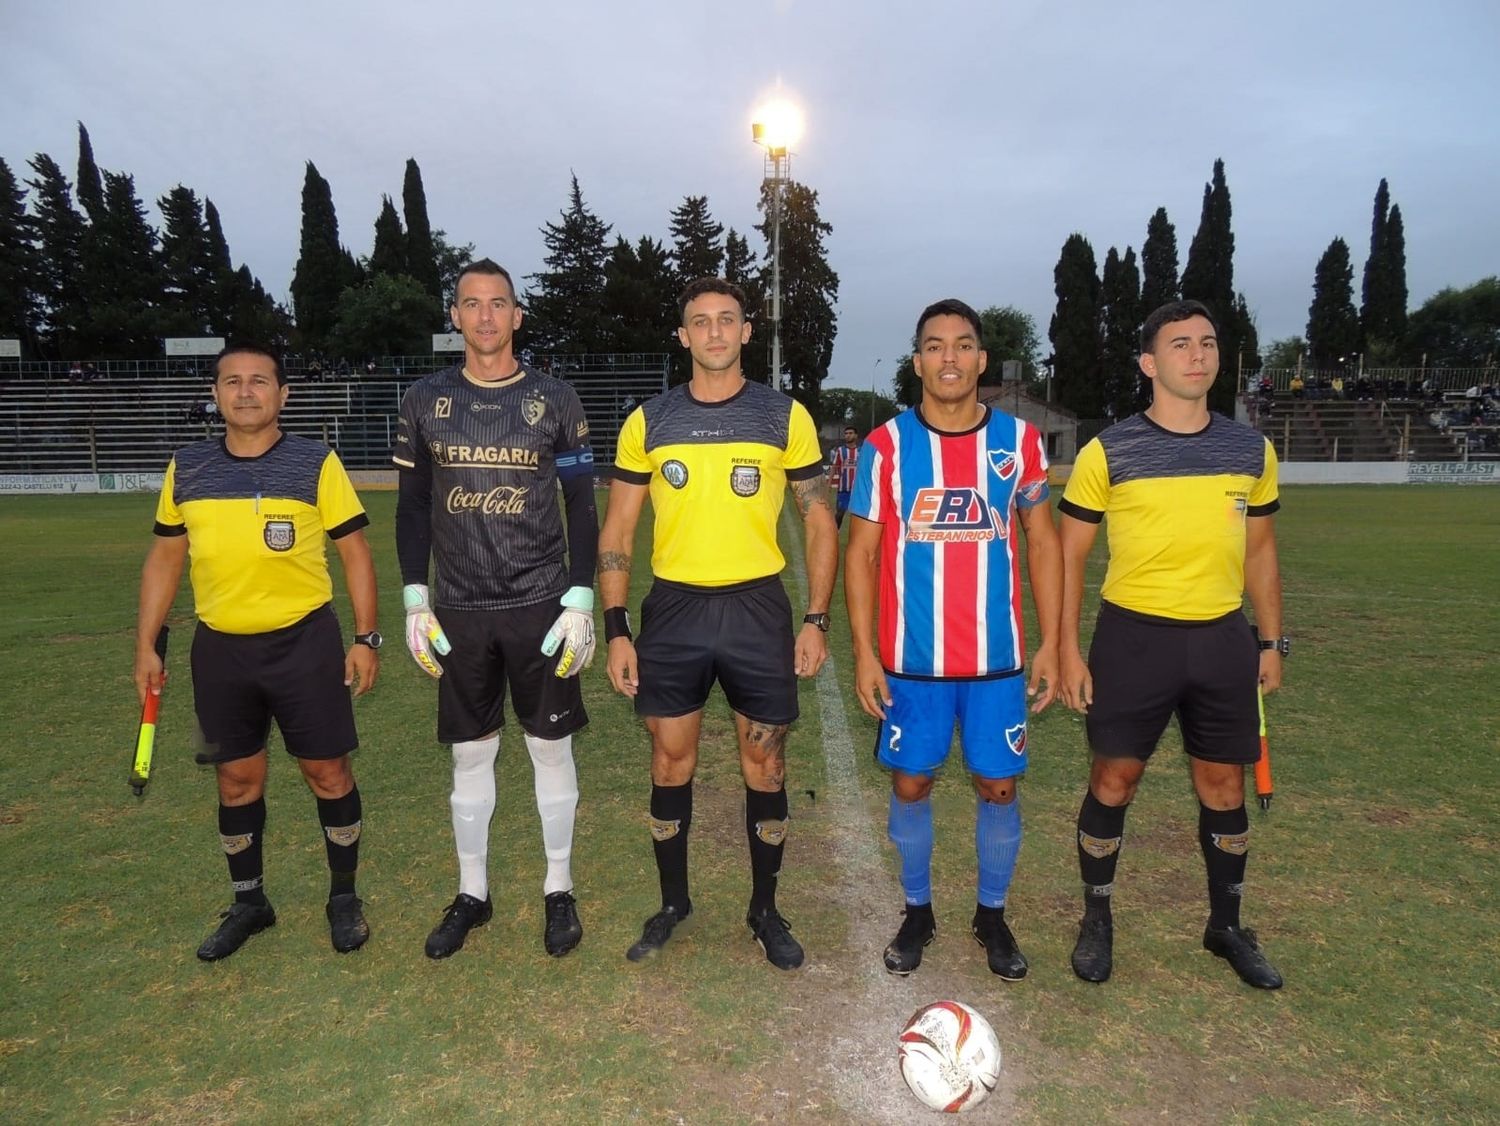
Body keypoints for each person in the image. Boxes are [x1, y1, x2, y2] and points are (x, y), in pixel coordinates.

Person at [597, 277, 837, 970]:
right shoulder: (649, 420)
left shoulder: (782, 416)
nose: (713, 333)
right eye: (699, 322)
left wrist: (817, 618)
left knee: (765, 762)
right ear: (682, 336)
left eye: (726, 320)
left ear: (746, 331)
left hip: (758, 610)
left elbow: (819, 519)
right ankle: (673, 902)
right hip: (673, 611)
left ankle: (765, 910)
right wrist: (617, 627)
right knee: (670, 759)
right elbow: (618, 527)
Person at [1057, 299, 1287, 990]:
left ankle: (1227, 925)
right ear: (1150, 364)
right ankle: (1097, 917)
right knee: (1113, 780)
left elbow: (1262, 551)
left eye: (1209, 343)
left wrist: (1271, 641)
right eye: (1181, 344)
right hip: (1134, 637)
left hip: (1222, 639)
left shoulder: (1251, 449)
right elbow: (1070, 556)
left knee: (1224, 784)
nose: (1198, 355)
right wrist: (1066, 648)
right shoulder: (1110, 451)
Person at [134, 343, 380, 961]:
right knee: (235, 779)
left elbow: (355, 554)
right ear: (215, 394)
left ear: (283, 395)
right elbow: (165, 559)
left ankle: (343, 896)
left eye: (260, 381)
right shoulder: (185, 467)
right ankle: (250, 903)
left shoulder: (315, 462)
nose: (245, 392)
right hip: (219, 652)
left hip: (306, 644)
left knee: (327, 772)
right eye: (232, 382)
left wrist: (365, 638)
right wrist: (146, 644)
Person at [844, 299, 1061, 981]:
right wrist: (865, 653)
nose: (949, 358)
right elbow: (860, 555)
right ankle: (918, 910)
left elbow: (1044, 542)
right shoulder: (885, 446)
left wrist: (1053, 642)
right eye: (935, 346)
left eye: (963, 345)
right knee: (911, 782)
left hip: (997, 663)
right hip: (913, 663)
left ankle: (991, 915)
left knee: (998, 787)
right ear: (917, 361)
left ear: (982, 360)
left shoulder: (1021, 443)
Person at [392, 258, 598, 961]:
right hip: (461, 608)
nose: (485, 316)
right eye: (471, 304)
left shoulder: (555, 400)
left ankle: (558, 889)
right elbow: (414, 505)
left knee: (550, 747)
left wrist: (581, 595)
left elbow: (580, 502)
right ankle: (472, 894)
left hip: (542, 604)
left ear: (517, 315)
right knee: (471, 754)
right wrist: (414, 596)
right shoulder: (423, 401)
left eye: (498, 303)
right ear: (455, 317)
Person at [827, 425, 860, 528]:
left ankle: (857, 539)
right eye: (846, 434)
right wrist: (829, 483)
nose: (848, 435)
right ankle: (835, 534)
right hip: (843, 489)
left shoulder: (861, 451)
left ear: (856, 435)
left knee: (858, 516)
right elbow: (834, 467)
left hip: (857, 490)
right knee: (840, 513)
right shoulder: (840, 451)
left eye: (850, 433)